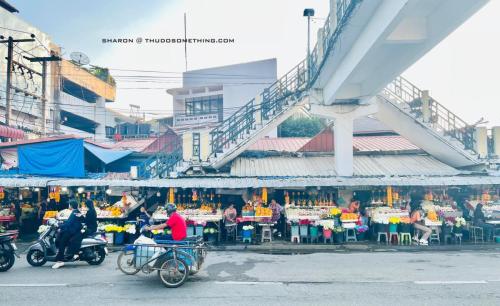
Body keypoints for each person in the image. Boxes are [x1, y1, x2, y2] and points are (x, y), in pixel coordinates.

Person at [52, 200, 84, 269]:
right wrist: (62, 224)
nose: (69, 205)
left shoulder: (74, 212)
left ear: (71, 205)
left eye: (69, 204)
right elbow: (70, 221)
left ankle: (60, 261)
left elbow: (69, 223)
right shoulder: (76, 212)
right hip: (74, 230)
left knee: (62, 242)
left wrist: (60, 225)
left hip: (73, 231)